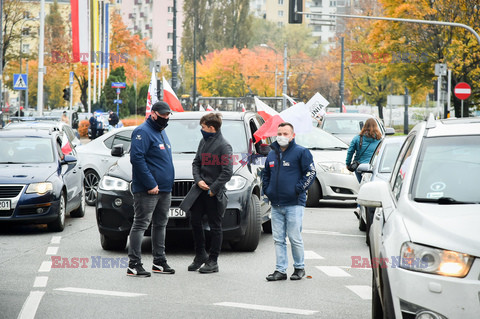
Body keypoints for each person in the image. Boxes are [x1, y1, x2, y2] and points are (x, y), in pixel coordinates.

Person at [179, 113, 233, 274]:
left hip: (213, 193)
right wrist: (198, 180)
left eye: (203, 127)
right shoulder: (203, 141)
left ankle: (213, 261)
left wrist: (212, 188)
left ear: (211, 128)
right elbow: (196, 163)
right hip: (199, 191)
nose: (201, 130)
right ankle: (200, 255)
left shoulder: (224, 146)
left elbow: (227, 172)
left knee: (215, 227)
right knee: (194, 221)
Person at [262, 122, 316, 281]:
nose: (282, 136)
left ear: (292, 135)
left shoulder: (301, 152)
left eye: (285, 134)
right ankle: (280, 270)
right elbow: (266, 174)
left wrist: (298, 189)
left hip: (294, 204)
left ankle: (299, 268)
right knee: (278, 239)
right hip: (276, 204)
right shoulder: (272, 154)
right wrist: (267, 190)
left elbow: (311, 173)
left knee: (294, 237)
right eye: (279, 133)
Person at [127, 101, 175, 277]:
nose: (165, 118)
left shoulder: (161, 132)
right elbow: (137, 159)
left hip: (164, 189)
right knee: (140, 224)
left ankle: (159, 262)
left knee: (161, 224)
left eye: (168, 115)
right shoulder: (142, 132)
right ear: (153, 113)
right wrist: (150, 183)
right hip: (148, 189)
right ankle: (134, 264)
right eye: (162, 115)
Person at [345, 118, 382, 183]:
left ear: (364, 126)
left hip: (359, 166)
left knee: (361, 184)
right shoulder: (380, 139)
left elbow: (350, 151)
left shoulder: (357, 138)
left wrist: (348, 164)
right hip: (374, 166)